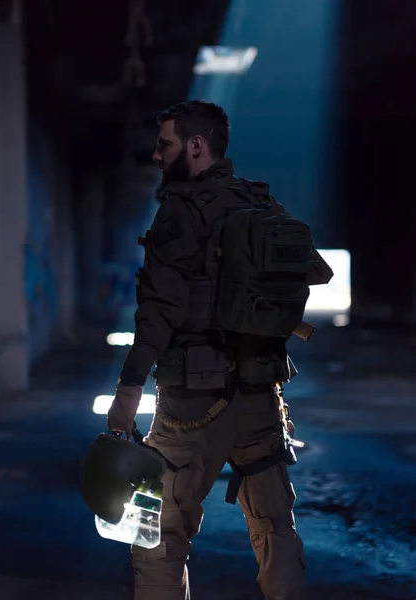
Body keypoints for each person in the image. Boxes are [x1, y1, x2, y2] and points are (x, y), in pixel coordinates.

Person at [108, 100, 333, 600]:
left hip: (191, 402)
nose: (156, 155)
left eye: (165, 144)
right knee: (275, 527)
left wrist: (128, 390)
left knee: (158, 535)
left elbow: (159, 312)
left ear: (196, 145)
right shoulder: (259, 203)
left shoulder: (179, 211)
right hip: (259, 393)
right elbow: (311, 271)